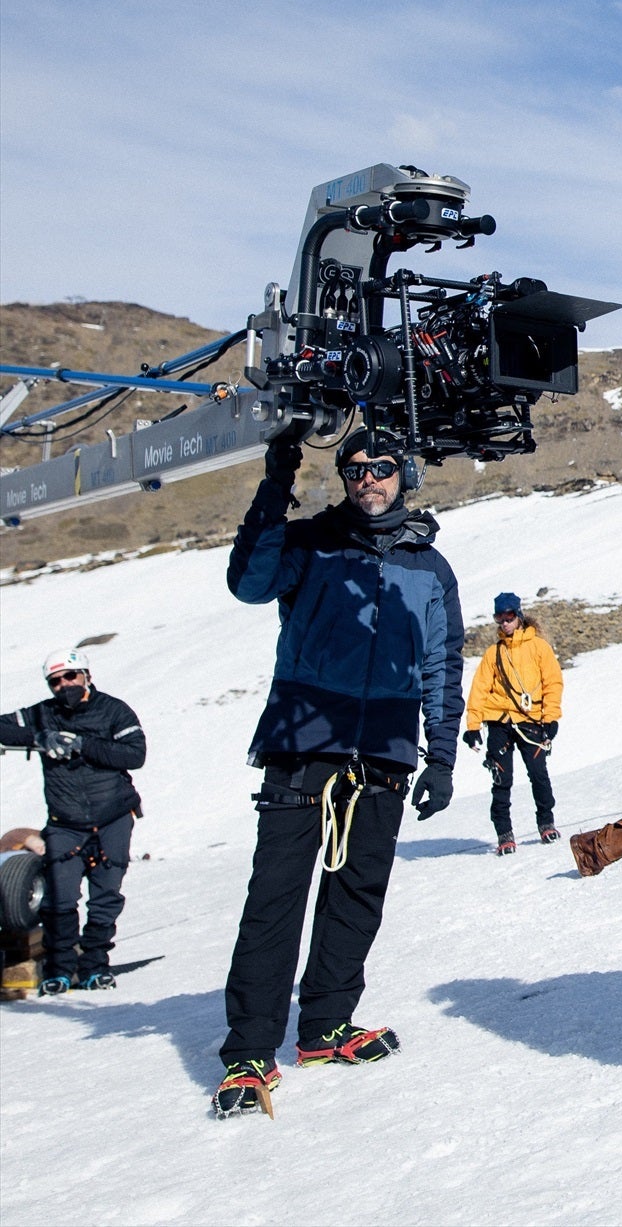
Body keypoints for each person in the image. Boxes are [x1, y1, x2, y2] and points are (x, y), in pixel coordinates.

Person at [211, 427, 463, 1119]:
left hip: (383, 750)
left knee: (358, 895)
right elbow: (248, 583)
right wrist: (275, 485)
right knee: (276, 896)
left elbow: (442, 665)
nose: (366, 479)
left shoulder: (431, 567)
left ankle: (323, 1025)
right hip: (305, 738)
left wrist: (440, 756)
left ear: (403, 474)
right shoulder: (309, 543)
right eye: (353, 469)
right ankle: (248, 1050)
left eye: (380, 467)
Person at [0, 649, 145, 995]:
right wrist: (39, 738)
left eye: (70, 676)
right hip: (65, 822)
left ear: (85, 675)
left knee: (105, 896)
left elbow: (135, 754)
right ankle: (59, 969)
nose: (64, 685)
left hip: (112, 816)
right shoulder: (42, 714)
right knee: (59, 899)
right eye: (56, 681)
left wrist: (84, 745)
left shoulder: (114, 710)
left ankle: (95, 965)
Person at [463, 592, 563, 854]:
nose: (504, 623)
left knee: (538, 774)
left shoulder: (539, 647)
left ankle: (546, 823)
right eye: (499, 617)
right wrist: (473, 726)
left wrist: (551, 718)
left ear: (518, 616)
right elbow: (479, 690)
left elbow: (552, 683)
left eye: (509, 616)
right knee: (501, 780)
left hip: (531, 722)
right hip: (499, 722)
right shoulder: (492, 654)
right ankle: (504, 834)